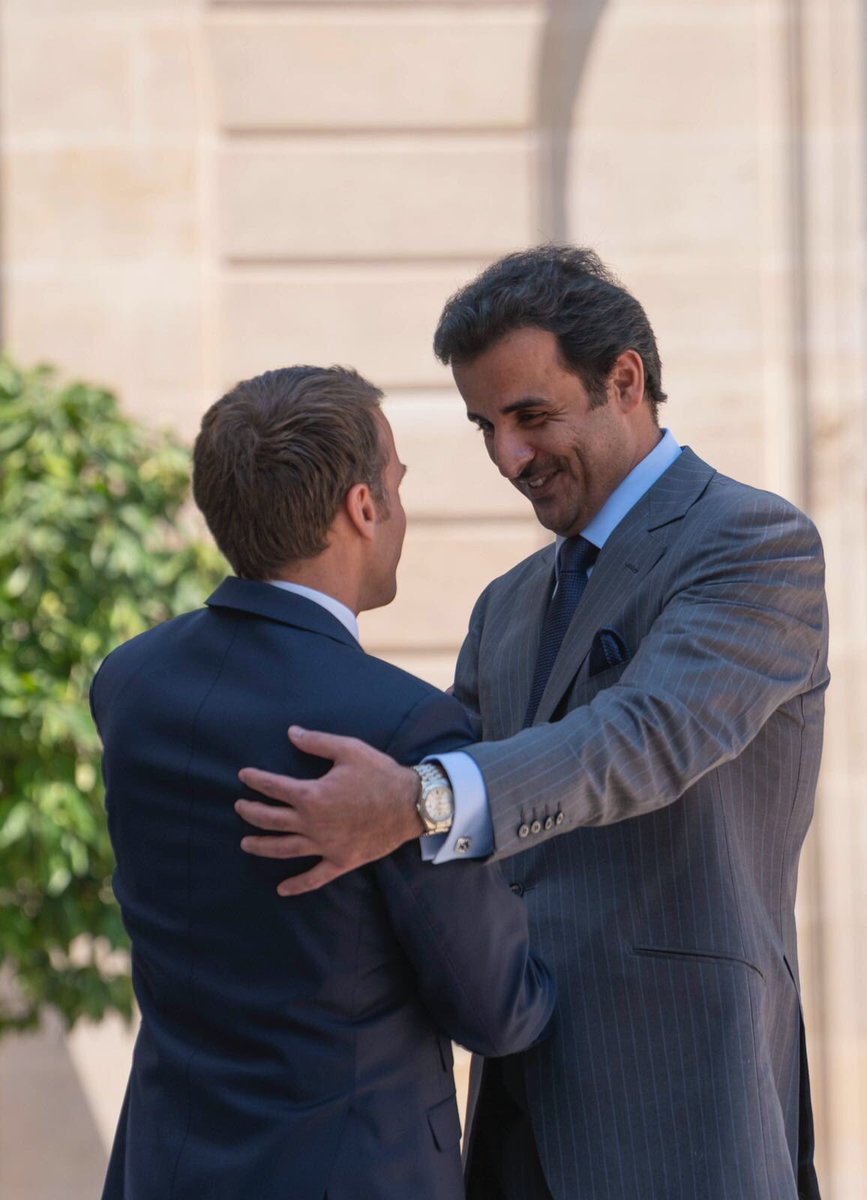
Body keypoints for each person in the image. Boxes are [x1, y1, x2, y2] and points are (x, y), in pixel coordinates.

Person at [235, 248, 829, 1200]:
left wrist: (419, 802)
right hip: (513, 1113)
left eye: (531, 417)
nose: (508, 458)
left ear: (624, 381)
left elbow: (647, 736)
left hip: (684, 1110)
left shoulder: (753, 543)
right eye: (485, 426)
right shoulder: (505, 604)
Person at [91, 365, 554, 1200]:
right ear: (362, 508)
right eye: (397, 486)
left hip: (165, 1166)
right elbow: (497, 1010)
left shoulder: (130, 681)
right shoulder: (402, 728)